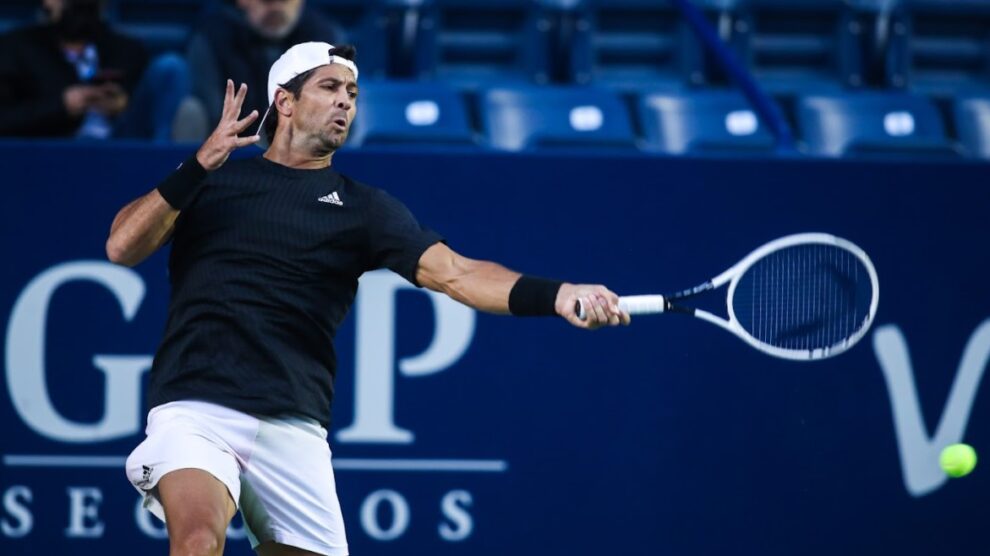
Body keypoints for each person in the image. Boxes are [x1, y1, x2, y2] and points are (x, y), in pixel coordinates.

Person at [107, 42, 629, 556]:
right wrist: (198, 164)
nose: (345, 101)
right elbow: (121, 247)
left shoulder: (364, 209)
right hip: (198, 410)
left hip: (294, 423)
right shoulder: (210, 183)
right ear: (284, 101)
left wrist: (557, 295)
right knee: (198, 539)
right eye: (329, 87)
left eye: (352, 93)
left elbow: (458, 274)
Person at [0, 0, 190, 141]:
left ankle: (164, 170)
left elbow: (142, 105)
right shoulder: (16, 48)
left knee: (171, 66)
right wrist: (61, 106)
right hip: (51, 149)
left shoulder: (127, 49)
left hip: (120, 147)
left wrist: (121, 104)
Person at [186, 0, 343, 130]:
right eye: (267, 1)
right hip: (232, 148)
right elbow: (214, 115)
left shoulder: (325, 38)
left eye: (284, 1)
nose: (276, 9)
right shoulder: (213, 39)